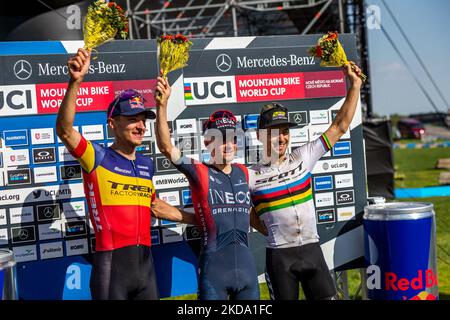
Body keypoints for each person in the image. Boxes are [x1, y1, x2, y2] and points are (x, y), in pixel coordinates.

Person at [56, 48, 195, 300]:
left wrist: (201, 220)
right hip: (112, 269)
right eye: (132, 119)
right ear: (113, 123)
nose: (140, 125)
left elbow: (155, 206)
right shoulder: (96, 157)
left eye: (143, 119)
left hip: (146, 270)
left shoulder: (145, 164)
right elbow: (65, 131)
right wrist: (75, 81)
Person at [248, 62, 363, 300]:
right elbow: (247, 213)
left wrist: (355, 84)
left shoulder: (303, 156)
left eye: (285, 131)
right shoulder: (251, 175)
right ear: (261, 136)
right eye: (274, 131)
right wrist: (270, 230)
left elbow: (340, 126)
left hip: (312, 250)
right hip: (279, 257)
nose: (281, 137)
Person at [154, 75, 259, 300]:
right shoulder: (199, 171)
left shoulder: (246, 172)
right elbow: (165, 146)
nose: (228, 144)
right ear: (208, 142)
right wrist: (161, 105)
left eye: (232, 138)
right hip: (214, 274)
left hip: (248, 274)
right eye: (220, 138)